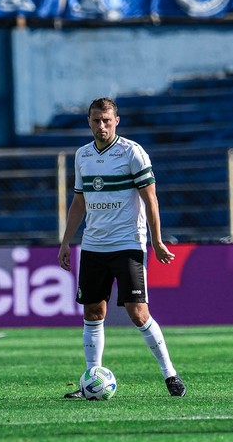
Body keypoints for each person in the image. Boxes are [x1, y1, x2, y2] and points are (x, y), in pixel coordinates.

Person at [58, 97, 186, 399]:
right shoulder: (83, 155)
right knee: (92, 311)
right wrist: (66, 241)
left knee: (138, 313)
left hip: (127, 244)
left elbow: (150, 199)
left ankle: (170, 374)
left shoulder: (132, 153)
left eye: (106, 120)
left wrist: (156, 241)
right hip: (93, 246)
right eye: (95, 120)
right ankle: (91, 378)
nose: (101, 126)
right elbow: (79, 202)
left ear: (117, 120)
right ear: (88, 122)